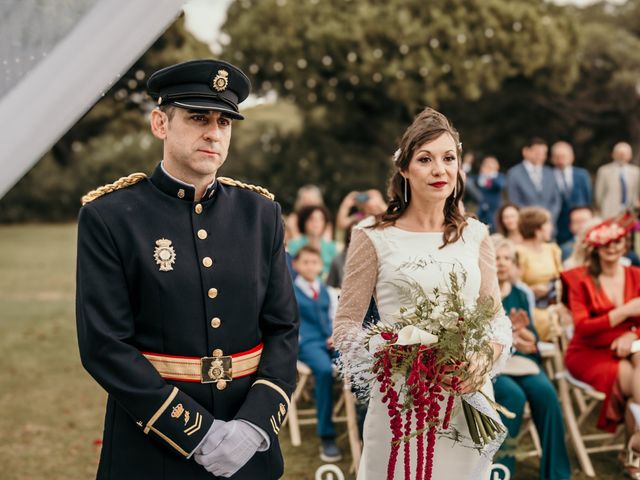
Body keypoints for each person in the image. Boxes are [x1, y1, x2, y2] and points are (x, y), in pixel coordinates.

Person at [75, 59, 299, 479]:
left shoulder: (260, 214)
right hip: (151, 449)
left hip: (249, 446)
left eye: (224, 122)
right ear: (160, 123)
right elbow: (104, 345)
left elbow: (283, 328)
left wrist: (253, 427)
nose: (214, 132)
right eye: (198, 118)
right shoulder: (110, 216)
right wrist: (197, 434)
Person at [333, 107, 512, 479]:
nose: (439, 170)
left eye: (449, 159)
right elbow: (346, 325)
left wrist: (482, 359)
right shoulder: (372, 236)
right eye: (425, 159)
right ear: (404, 169)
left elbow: (495, 319)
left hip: (464, 397)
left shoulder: (476, 235)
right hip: (401, 399)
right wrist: (392, 355)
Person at [561, 213, 640, 478]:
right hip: (589, 351)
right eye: (607, 243)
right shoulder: (577, 278)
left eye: (618, 242)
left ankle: (633, 452)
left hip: (630, 345)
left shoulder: (636, 275)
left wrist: (632, 336)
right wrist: (625, 310)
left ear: (626, 244)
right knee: (632, 380)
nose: (613, 248)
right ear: (595, 246)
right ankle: (633, 454)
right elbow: (582, 327)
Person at [492, 238, 571, 480]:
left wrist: (528, 338)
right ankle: (501, 470)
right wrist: (509, 338)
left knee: (546, 394)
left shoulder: (522, 293)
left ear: (514, 264)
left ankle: (556, 474)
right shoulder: (483, 291)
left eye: (508, 258)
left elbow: (532, 336)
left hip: (523, 362)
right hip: (494, 364)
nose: (502, 263)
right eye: (497, 258)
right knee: (513, 397)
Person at [292, 246, 342, 462]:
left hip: (329, 340)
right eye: (306, 262)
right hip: (307, 344)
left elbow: (335, 318)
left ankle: (359, 424)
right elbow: (289, 323)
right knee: (323, 371)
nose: (311, 266)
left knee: (355, 363)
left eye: (315, 262)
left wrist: (335, 336)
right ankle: (326, 435)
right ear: (296, 265)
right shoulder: (290, 291)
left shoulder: (327, 291)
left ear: (321, 266)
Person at [515, 207, 562, 341]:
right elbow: (514, 286)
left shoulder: (552, 249)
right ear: (537, 228)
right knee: (547, 319)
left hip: (553, 303)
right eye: (548, 223)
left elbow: (561, 277)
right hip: (533, 307)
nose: (551, 227)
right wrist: (531, 290)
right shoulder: (519, 252)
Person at [506, 137, 562, 229]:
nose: (541, 156)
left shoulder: (550, 173)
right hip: (525, 227)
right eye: (537, 153)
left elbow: (556, 200)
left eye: (544, 153)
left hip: (548, 227)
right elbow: (514, 201)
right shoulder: (514, 173)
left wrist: (549, 219)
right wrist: (533, 220)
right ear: (525, 152)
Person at [551, 141, 593, 244]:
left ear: (571, 157)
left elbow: (588, 198)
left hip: (579, 222)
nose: (560, 160)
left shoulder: (582, 175)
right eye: (557, 156)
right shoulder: (548, 175)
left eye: (563, 156)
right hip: (558, 224)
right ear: (552, 158)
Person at [288, 205, 338, 278]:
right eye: (312, 219)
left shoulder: (332, 247)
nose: (316, 223)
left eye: (321, 219)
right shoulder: (294, 245)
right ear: (304, 222)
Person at [595, 142, 639, 219]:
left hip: (630, 213)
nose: (622, 156)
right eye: (619, 153)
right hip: (609, 212)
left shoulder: (636, 172)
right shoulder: (604, 171)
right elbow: (599, 194)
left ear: (630, 155)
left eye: (625, 153)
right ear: (613, 154)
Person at [468, 155, 505, 231]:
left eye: (491, 166)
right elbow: (467, 182)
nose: (488, 168)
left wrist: (490, 175)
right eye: (486, 165)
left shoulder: (499, 178)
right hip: (477, 212)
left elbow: (500, 185)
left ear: (497, 167)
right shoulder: (477, 178)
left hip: (493, 213)